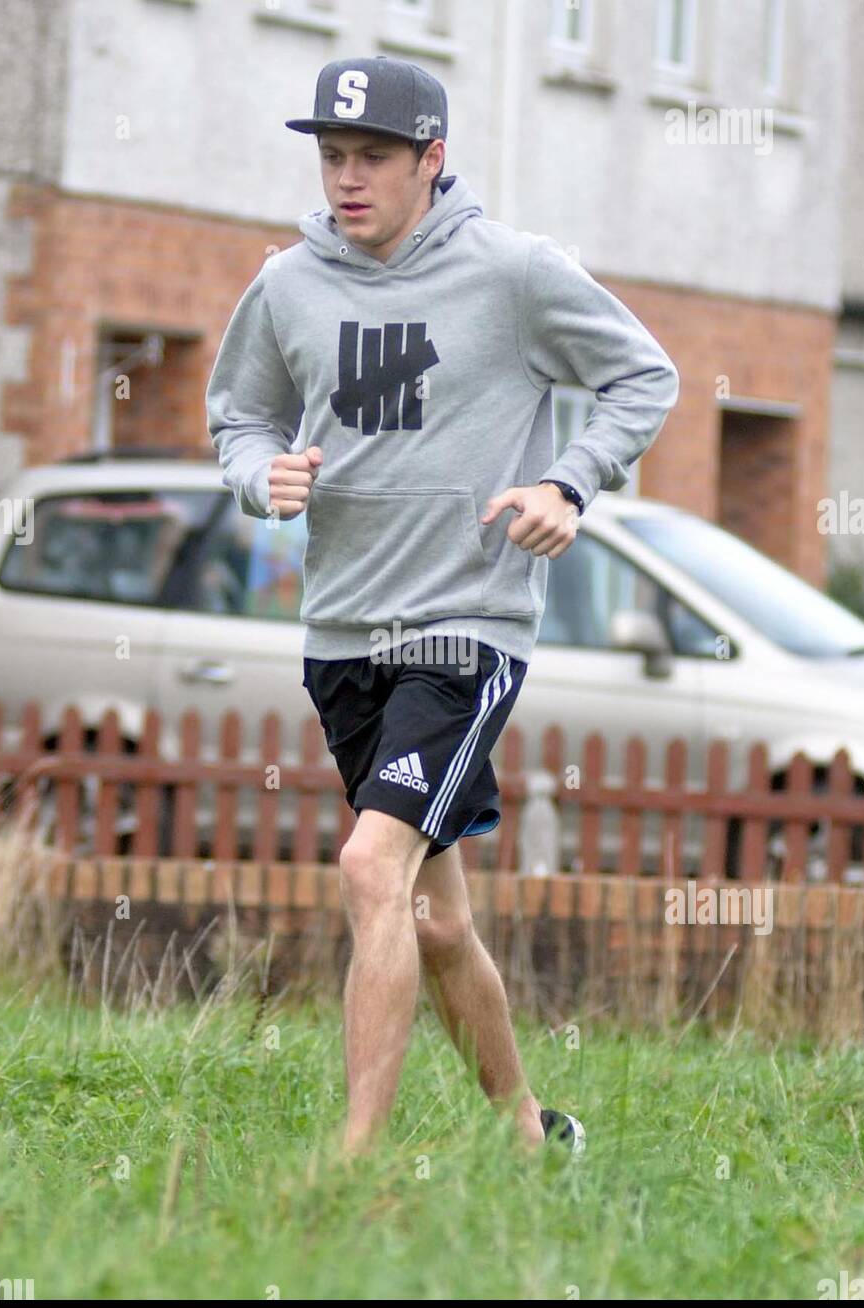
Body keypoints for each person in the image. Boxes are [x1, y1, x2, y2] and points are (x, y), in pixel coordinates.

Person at [206, 55, 679, 1160]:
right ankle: (528, 1134)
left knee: (371, 868)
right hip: (343, 633)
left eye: (372, 158)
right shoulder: (286, 284)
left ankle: (354, 1157)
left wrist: (570, 482)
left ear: (433, 159)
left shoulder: (514, 273)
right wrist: (258, 474)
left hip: (468, 626)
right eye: (332, 158)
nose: (347, 180)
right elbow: (238, 418)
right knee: (433, 913)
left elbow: (642, 376)